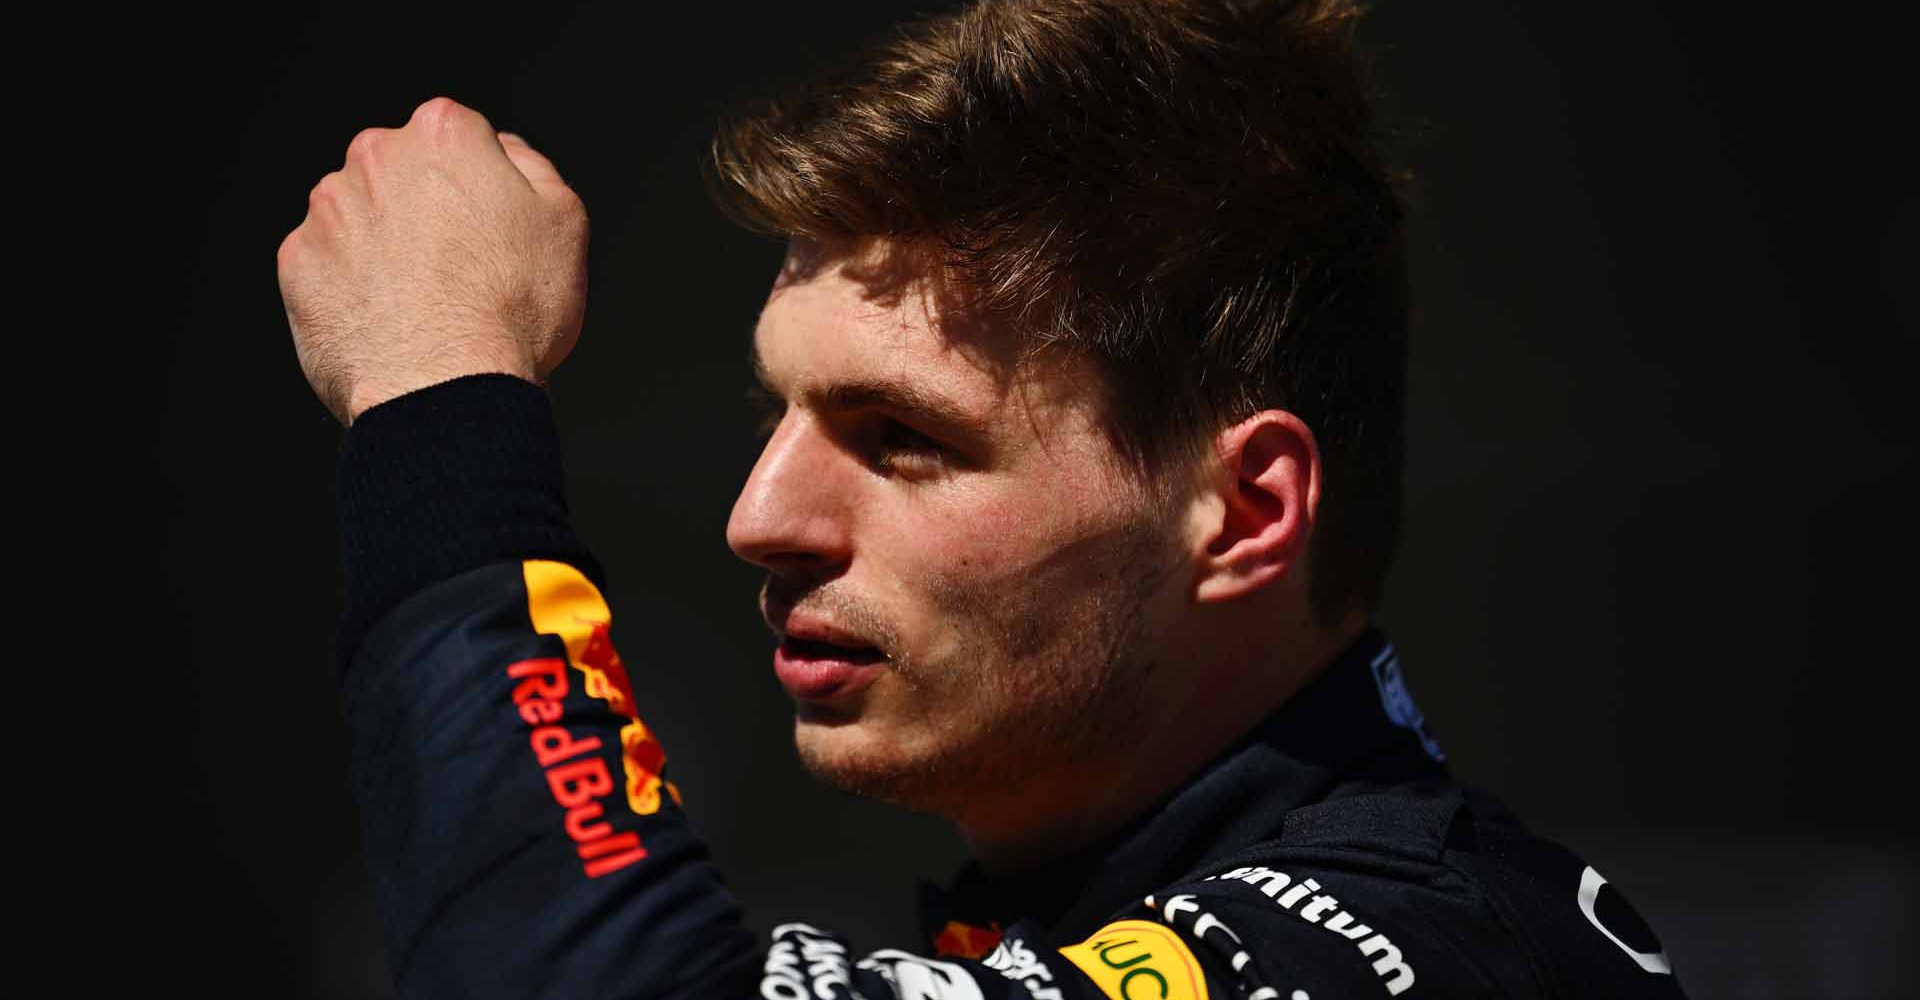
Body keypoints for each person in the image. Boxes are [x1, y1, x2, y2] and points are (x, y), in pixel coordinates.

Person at [277, 1, 1689, 997]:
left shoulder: (1423, 953)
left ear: (1248, 512)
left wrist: (440, 396)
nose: (761, 519)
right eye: (776, 414)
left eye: (900, 436)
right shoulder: (1087, 911)